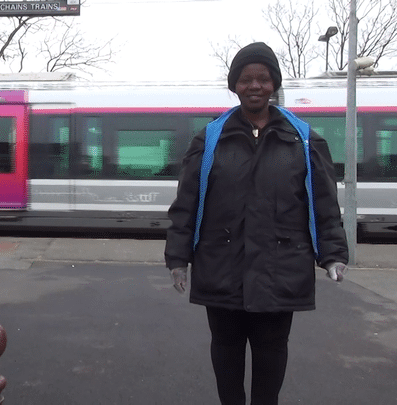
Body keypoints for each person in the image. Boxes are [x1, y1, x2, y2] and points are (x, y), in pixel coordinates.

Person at [164, 42, 349, 405]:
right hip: (221, 271)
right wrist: (177, 259)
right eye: (246, 79)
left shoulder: (305, 140)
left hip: (281, 274)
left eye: (263, 79)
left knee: (271, 363)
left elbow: (325, 205)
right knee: (227, 363)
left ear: (274, 85)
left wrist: (333, 254)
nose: (255, 86)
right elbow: (186, 203)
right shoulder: (210, 139)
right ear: (234, 85)